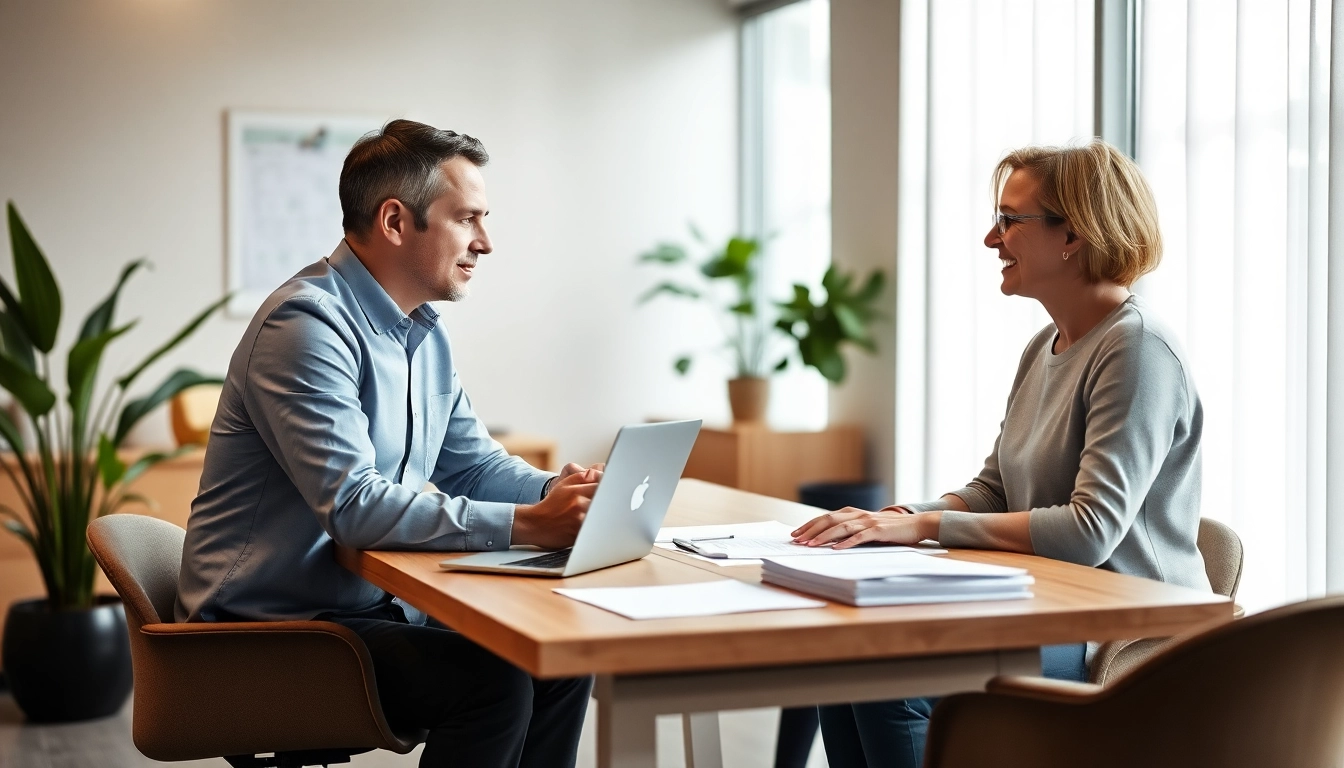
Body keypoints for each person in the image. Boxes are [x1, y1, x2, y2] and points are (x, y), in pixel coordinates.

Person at [176, 119, 598, 768]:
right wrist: (526, 525)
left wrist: (557, 494)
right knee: (495, 680)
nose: (485, 242)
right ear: (397, 222)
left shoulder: (423, 333)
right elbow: (352, 506)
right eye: (468, 218)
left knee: (558, 657)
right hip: (268, 630)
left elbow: (472, 463)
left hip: (361, 605)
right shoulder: (306, 325)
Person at [790, 140, 1210, 768]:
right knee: (845, 664)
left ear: (1074, 233)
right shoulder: (1047, 344)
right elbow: (995, 489)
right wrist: (896, 520)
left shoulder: (1137, 351)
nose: (992, 239)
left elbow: (1089, 532)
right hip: (1050, 608)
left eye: (1010, 220)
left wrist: (927, 527)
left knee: (889, 679)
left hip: (1123, 633)